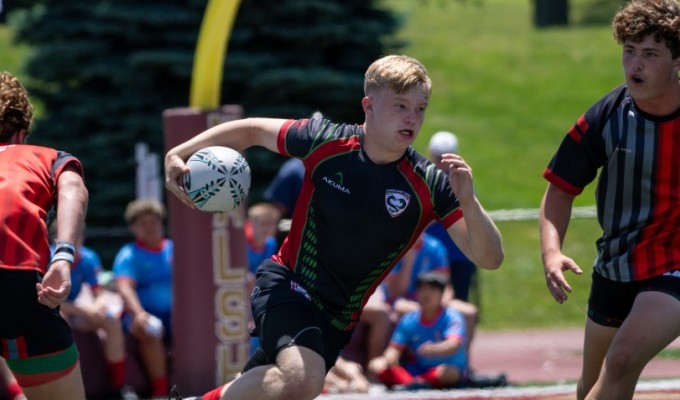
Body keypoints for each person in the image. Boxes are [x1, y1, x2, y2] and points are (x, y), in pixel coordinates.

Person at [165, 54, 503, 400]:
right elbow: (251, 129)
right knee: (303, 380)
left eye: (420, 108)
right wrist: (180, 151)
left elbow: (489, 257)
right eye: (400, 105)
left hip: (337, 319)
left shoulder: (431, 186)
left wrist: (469, 202)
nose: (411, 118)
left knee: (281, 388)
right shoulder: (325, 141)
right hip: (288, 285)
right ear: (368, 106)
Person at [539, 1, 680, 399]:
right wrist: (551, 253)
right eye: (629, 51)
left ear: (676, 60)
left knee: (620, 362)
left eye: (650, 54)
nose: (635, 64)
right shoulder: (608, 115)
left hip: (673, 263)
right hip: (617, 265)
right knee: (593, 384)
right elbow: (560, 191)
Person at [0, 71, 88, 400]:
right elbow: (73, 189)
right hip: (17, 279)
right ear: (21, 132)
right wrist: (63, 255)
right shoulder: (46, 157)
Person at [49, 223, 136, 400]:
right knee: (60, 324)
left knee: (111, 322)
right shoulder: (46, 256)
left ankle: (118, 387)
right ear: (55, 238)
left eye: (78, 234)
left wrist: (99, 305)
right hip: (51, 309)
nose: (74, 238)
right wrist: (84, 311)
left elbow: (98, 292)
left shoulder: (88, 257)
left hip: (77, 309)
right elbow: (49, 297)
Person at [113, 199, 173, 398]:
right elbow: (125, 287)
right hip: (143, 314)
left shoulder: (174, 248)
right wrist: (139, 314)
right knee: (150, 329)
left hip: (176, 315)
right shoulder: (128, 254)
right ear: (133, 228)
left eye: (154, 222)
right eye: (142, 223)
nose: (149, 228)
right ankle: (160, 390)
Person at [368, 271, 467, 390]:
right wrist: (389, 358)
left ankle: (415, 384)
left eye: (432, 290)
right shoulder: (409, 319)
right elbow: (395, 348)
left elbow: (453, 344)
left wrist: (434, 349)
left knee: (450, 374)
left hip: (443, 370)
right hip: (415, 371)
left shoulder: (452, 316)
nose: (427, 294)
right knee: (376, 365)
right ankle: (415, 383)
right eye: (423, 289)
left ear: (441, 294)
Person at [425, 131, 478, 302]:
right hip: (433, 254)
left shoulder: (462, 181)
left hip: (459, 253)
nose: (442, 162)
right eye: (439, 157)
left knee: (458, 302)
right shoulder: (428, 179)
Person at [244, 202, 281, 355]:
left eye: (271, 224)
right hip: (239, 295)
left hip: (258, 296)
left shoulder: (270, 243)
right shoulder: (240, 241)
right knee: (249, 279)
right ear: (250, 223)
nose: (267, 228)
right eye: (262, 223)